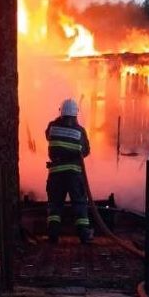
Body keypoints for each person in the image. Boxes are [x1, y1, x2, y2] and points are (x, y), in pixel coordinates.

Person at [44, 98, 93, 244]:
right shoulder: (80, 131)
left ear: (61, 112)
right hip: (74, 174)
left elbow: (47, 136)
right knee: (79, 203)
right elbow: (86, 151)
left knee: (55, 204)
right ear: (75, 114)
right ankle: (84, 236)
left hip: (55, 174)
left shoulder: (52, 127)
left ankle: (53, 235)